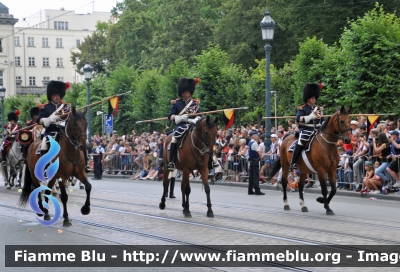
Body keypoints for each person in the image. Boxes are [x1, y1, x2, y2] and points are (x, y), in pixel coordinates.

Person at [36, 81, 91, 173]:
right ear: (51, 96)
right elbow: (38, 120)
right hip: (51, 132)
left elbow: (72, 119)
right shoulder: (45, 108)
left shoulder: (66, 107)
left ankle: (85, 164)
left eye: (58, 95)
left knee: (83, 142)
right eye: (55, 95)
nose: (57, 97)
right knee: (45, 145)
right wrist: (47, 120)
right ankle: (44, 166)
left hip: (65, 131)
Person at [167, 77, 201, 170]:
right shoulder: (177, 103)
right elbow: (170, 115)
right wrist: (179, 118)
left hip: (193, 125)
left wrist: (196, 119)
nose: (187, 94)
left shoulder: (194, 104)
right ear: (182, 93)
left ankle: (209, 162)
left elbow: (199, 115)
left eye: (188, 92)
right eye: (185, 92)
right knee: (174, 138)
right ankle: (172, 161)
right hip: (181, 125)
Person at [290, 83, 324, 170]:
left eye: (314, 97)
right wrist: (310, 117)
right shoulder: (303, 108)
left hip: (317, 130)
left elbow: (322, 120)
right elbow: (298, 119)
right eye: (312, 97)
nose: (313, 99)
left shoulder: (319, 108)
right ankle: (293, 162)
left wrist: (322, 124)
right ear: (308, 98)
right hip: (306, 130)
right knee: (301, 141)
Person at [247, 130, 265, 195]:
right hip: (255, 161)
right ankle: (257, 190)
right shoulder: (254, 143)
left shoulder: (249, 143)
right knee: (256, 175)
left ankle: (250, 190)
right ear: (253, 136)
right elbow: (258, 152)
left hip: (251, 160)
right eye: (256, 135)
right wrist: (261, 156)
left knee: (251, 176)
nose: (257, 136)